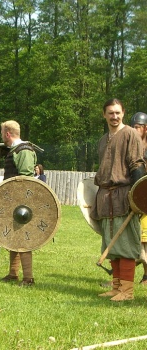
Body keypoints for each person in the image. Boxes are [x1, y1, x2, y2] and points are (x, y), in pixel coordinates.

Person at [90, 99, 145, 301]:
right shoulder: (103, 139)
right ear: (104, 115)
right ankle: (116, 287)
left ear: (123, 112)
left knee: (126, 244)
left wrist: (138, 198)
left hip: (124, 196)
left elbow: (137, 165)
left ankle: (127, 291)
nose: (115, 117)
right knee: (111, 245)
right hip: (106, 197)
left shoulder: (130, 134)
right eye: (110, 113)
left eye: (118, 113)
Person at [0, 120, 37, 286]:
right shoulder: (14, 150)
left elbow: (26, 177)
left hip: (22, 201)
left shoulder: (24, 150)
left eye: (2, 133)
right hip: (12, 200)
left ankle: (28, 277)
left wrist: (23, 201)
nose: (1, 136)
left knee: (23, 237)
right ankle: (13, 273)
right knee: (13, 235)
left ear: (7, 133)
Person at [130, 112, 147, 284]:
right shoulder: (131, 147)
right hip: (133, 197)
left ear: (145, 129)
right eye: (132, 128)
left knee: (145, 239)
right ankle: (120, 276)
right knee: (133, 237)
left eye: (137, 128)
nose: (134, 131)